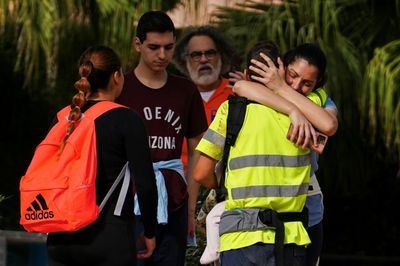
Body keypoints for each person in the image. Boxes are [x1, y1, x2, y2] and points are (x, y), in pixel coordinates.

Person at [193, 40, 322, 266]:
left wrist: (225, 185)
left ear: (245, 74)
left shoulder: (231, 109)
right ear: (280, 72)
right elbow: (329, 124)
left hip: (240, 236)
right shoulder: (307, 111)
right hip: (291, 238)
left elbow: (201, 174)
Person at [46, 45, 158, 266]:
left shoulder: (63, 119)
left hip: (60, 237)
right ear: (116, 76)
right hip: (108, 238)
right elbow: (145, 184)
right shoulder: (126, 119)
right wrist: (150, 232)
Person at [233, 43, 338, 266]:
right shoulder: (261, 94)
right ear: (281, 66)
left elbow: (328, 124)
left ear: (317, 84)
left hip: (308, 207)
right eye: (292, 76)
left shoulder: (320, 100)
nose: (297, 85)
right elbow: (241, 86)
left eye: (307, 83)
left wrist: (282, 88)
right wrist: (292, 109)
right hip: (262, 213)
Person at [116, 11, 208, 266]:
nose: (162, 55)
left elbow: (197, 149)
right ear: (138, 45)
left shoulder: (186, 90)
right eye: (153, 47)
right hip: (128, 201)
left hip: (174, 200)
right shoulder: (121, 88)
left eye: (169, 47)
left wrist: (190, 208)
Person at [172, 25, 236, 237]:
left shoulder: (238, 93)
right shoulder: (174, 96)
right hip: (179, 193)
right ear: (184, 60)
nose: (203, 60)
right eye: (196, 54)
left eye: (210, 53)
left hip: (227, 194)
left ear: (221, 56)